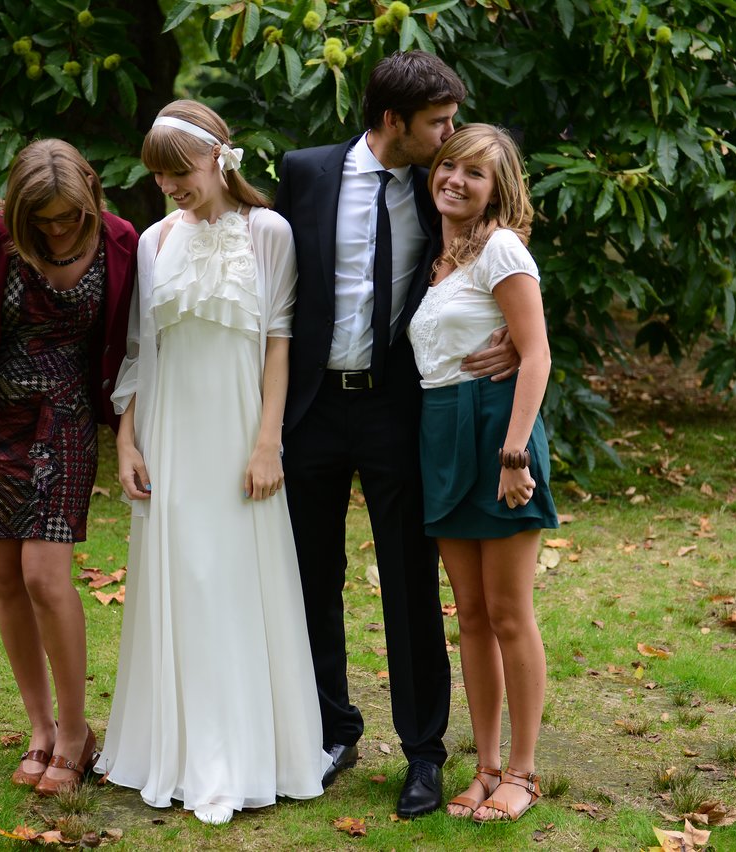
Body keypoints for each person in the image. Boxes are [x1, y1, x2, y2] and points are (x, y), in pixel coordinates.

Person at [275, 51, 518, 818]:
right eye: (439, 123)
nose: (450, 138)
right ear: (392, 122)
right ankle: (330, 730)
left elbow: (506, 253)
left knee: (411, 585)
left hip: (397, 409)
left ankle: (423, 754)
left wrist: (518, 338)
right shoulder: (305, 173)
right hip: (312, 410)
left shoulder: (438, 186)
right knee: (310, 579)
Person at [93, 100, 328, 826]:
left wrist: (268, 441)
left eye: (180, 171)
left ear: (221, 159)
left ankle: (246, 754)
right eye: (158, 175)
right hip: (168, 435)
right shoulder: (153, 241)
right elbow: (140, 348)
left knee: (232, 582)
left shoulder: (270, 233)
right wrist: (127, 439)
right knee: (182, 582)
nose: (169, 186)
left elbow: (280, 341)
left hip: (238, 435)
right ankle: (181, 746)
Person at [0, 139, 138, 796]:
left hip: (64, 420)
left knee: (46, 577)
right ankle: (39, 729)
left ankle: (76, 734)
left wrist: (131, 432)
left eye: (70, 217)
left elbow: (135, 344)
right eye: (44, 221)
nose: (59, 230)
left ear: (90, 199)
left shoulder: (122, 241)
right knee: (6, 580)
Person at [408, 124, 556, 822]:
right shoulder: (433, 259)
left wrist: (514, 456)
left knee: (507, 612)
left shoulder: (501, 247)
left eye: (476, 172)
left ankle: (523, 774)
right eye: (449, 166)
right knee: (468, 616)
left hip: (498, 433)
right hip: (442, 432)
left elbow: (535, 356)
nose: (456, 181)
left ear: (498, 188)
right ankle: (487, 766)